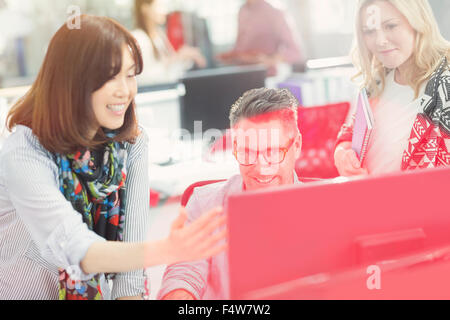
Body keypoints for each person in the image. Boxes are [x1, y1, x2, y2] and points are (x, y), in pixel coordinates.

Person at [0, 15, 226, 300]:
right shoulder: (26, 150)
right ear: (72, 81)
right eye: (109, 76)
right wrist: (168, 249)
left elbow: (129, 280)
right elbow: (73, 247)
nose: (125, 90)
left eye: (130, 74)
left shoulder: (132, 143)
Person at [157, 88, 303, 300]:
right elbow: (184, 273)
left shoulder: (326, 211)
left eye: (272, 152)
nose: (261, 168)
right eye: (248, 152)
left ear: (296, 145)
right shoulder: (205, 203)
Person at [334, 0, 450, 177]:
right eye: (369, 31)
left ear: (418, 22)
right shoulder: (375, 84)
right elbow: (350, 134)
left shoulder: (444, 86)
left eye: (391, 26)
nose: (380, 41)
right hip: (371, 200)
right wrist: (342, 153)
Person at [217, 0, 304, 76]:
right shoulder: (242, 10)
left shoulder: (274, 12)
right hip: (242, 75)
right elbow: (240, 46)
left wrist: (269, 60)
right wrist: (232, 56)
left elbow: (295, 51)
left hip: (265, 77)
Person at [132, 0, 207, 85]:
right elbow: (144, 79)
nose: (166, 11)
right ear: (145, 8)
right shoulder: (139, 38)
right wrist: (176, 57)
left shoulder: (160, 35)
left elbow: (172, 71)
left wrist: (186, 57)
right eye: (160, 6)